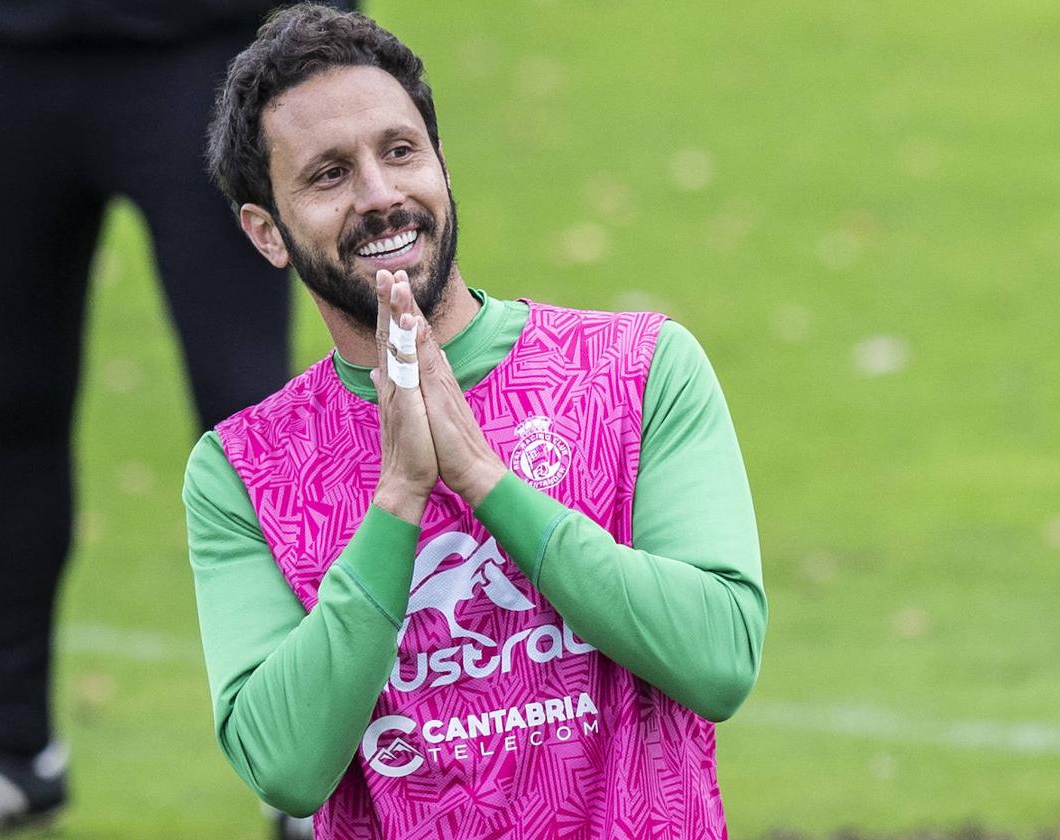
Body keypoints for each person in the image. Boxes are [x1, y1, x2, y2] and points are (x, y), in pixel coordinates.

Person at [185, 5, 768, 839]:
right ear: (266, 233)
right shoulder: (241, 470)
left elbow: (719, 661)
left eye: (399, 151)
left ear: (441, 163)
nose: (381, 196)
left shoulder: (640, 370)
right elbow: (284, 765)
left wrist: (484, 479)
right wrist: (398, 497)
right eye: (328, 175)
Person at [0, 1, 352, 838]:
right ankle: (15, 751)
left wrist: (329, 57)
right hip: (9, 60)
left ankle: (309, 773)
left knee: (250, 421)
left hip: (203, 63)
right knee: (13, 408)